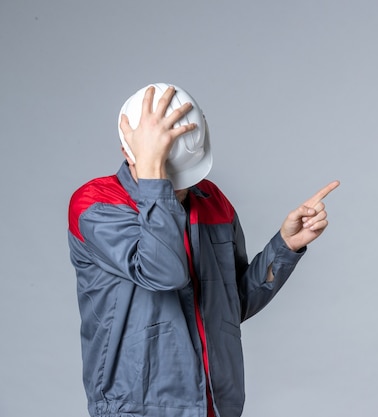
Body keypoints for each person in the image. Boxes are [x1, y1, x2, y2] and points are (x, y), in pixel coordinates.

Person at [67, 83, 339, 417]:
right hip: (137, 409)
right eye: (169, 174)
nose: (178, 187)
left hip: (216, 405)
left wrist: (284, 246)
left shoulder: (212, 201)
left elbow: (231, 305)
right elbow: (163, 272)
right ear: (129, 152)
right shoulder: (97, 205)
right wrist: (155, 177)